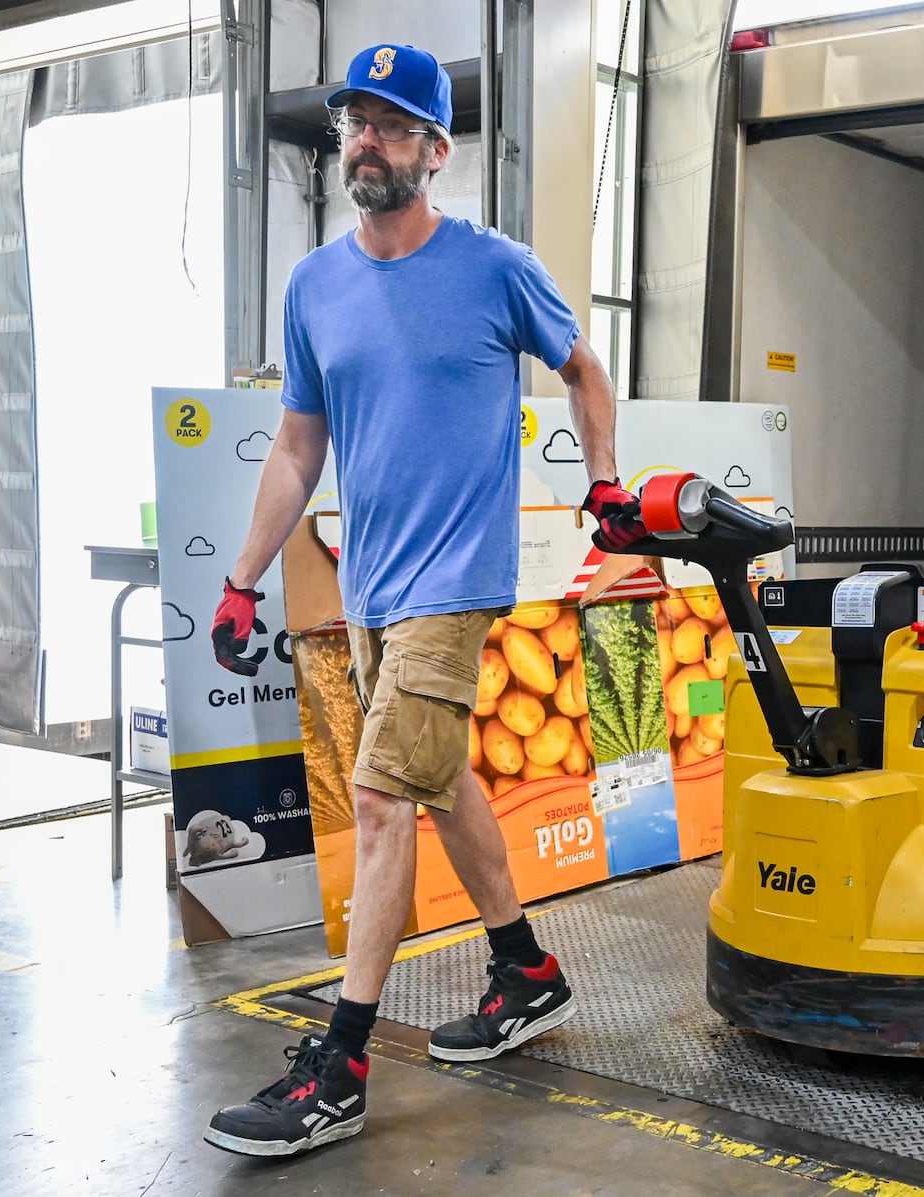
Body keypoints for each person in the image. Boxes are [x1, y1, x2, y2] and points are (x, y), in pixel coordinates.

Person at [202, 42, 645, 1157]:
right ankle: (526, 971)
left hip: (456, 581)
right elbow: (300, 445)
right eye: (357, 119)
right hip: (373, 586)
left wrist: (601, 482)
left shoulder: (494, 266)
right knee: (440, 786)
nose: (368, 138)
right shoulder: (316, 285)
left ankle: (340, 1066)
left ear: (436, 152)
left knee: (385, 793)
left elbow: (584, 370)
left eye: (395, 125)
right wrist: (242, 578)